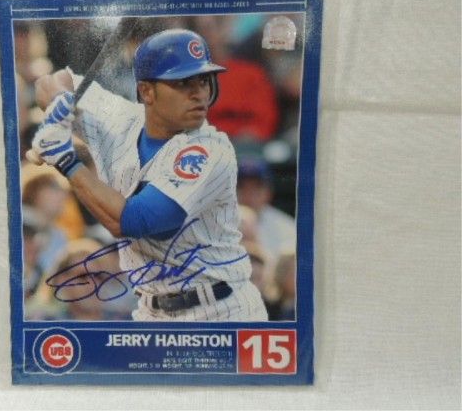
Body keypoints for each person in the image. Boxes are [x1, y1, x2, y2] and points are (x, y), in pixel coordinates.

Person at [27, 28, 267, 322]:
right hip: (152, 310)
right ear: (146, 92)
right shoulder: (118, 119)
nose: (199, 93)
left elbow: (133, 221)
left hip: (219, 310)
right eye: (183, 83)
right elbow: (50, 81)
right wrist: (58, 103)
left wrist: (67, 161)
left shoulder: (209, 149)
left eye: (203, 81)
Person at [236, 158, 296, 262]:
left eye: (256, 188)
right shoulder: (215, 223)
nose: (249, 194)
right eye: (242, 188)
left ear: (269, 192)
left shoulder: (287, 228)